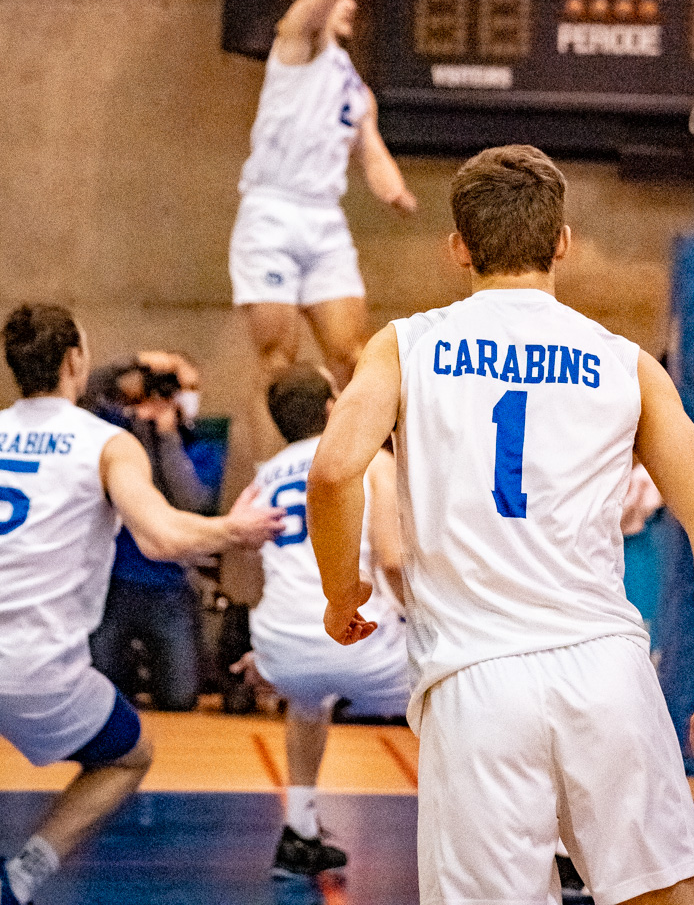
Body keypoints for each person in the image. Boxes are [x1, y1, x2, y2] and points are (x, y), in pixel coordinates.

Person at [308, 145, 694, 905]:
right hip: (605, 670)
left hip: (475, 681)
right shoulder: (625, 363)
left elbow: (332, 471)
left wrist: (339, 591)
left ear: (458, 247)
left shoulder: (405, 345)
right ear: (561, 241)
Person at [0, 305, 284, 905]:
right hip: (35, 669)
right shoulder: (106, 443)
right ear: (75, 360)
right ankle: (19, 877)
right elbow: (163, 536)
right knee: (128, 757)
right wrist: (236, 529)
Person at [229, 0, 425, 397]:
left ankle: (356, 468)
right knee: (280, 360)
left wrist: (396, 193)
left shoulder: (355, 86)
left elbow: (372, 153)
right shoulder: (298, 43)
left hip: (323, 218)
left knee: (353, 356)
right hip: (271, 213)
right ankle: (292, 469)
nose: (349, 2)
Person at [235, 364, 408, 880]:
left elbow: (247, 567)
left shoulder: (264, 475)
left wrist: (267, 650)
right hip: (358, 641)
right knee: (462, 694)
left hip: (281, 647)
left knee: (308, 699)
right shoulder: (369, 461)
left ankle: (299, 831)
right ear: (334, 409)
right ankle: (546, 846)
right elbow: (394, 561)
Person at [88, 353, 212, 711]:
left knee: (180, 698)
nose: (167, 397)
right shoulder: (116, 433)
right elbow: (84, 391)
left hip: (170, 589)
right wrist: (136, 361)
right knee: (103, 693)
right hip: (114, 585)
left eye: (182, 389)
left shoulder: (198, 443)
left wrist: (168, 437)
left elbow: (193, 502)